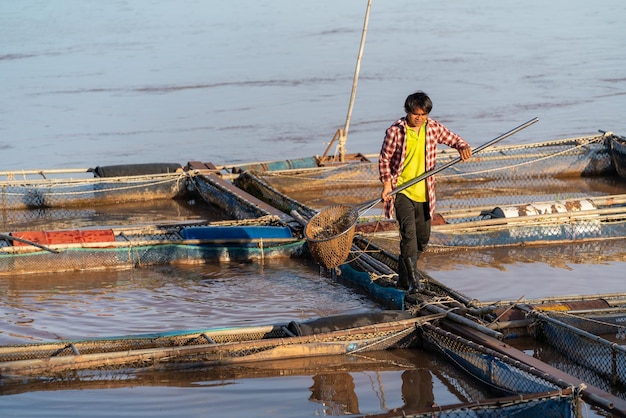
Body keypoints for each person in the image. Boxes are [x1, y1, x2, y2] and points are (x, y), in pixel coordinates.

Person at [379, 91, 472, 293]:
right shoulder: (395, 131)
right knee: (408, 238)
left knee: (422, 240)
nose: (419, 118)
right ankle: (415, 284)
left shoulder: (432, 128)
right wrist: (387, 184)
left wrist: (462, 146)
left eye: (423, 114)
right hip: (402, 192)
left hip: (425, 193)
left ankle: (403, 281)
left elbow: (453, 139)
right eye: (415, 114)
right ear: (408, 112)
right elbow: (384, 159)